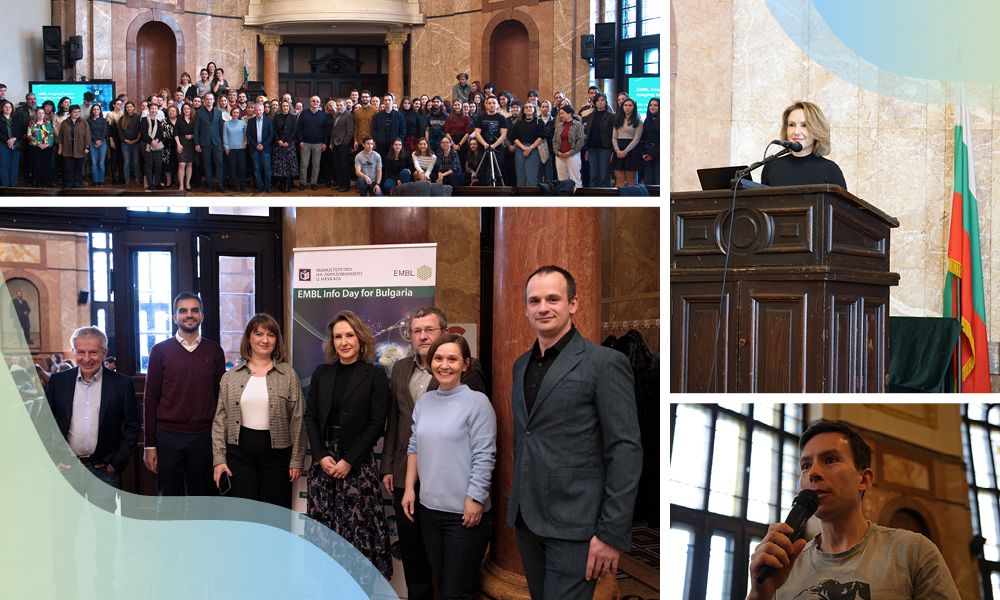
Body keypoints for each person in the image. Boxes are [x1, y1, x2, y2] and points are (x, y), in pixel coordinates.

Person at [508, 266, 642, 600]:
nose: (543, 307)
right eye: (534, 300)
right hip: (527, 520)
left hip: (577, 526)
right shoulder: (520, 364)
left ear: (573, 304)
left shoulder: (604, 363)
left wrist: (611, 533)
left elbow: (625, 450)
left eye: (553, 298)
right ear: (525, 308)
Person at [746, 419, 961, 600]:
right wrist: (758, 596)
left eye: (830, 460)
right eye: (805, 465)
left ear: (864, 479)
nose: (813, 473)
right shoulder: (781, 566)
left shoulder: (912, 551)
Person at [381, 307, 487, 600]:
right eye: (417, 331)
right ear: (410, 336)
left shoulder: (469, 369)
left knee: (450, 570)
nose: (423, 336)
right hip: (407, 475)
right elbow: (397, 422)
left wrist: (476, 493)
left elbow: (479, 435)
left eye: (430, 330)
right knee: (415, 558)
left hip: (450, 479)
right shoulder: (400, 368)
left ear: (444, 332)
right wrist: (388, 465)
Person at [45, 326, 140, 598]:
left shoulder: (120, 383)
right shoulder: (58, 381)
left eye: (93, 352)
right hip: (67, 470)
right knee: (63, 533)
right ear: (73, 352)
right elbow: (44, 424)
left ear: (104, 352)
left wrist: (115, 463)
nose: (87, 358)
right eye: (81, 352)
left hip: (104, 471)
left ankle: (104, 586)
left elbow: (132, 427)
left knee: (105, 533)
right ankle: (64, 587)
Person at [401, 333, 496, 600]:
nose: (445, 365)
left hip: (464, 516)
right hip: (429, 513)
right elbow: (414, 446)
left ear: (465, 365)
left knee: (458, 592)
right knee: (442, 585)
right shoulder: (426, 401)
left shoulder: (478, 403)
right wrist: (409, 488)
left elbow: (485, 455)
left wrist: (476, 499)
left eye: (452, 359)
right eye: (439, 358)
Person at [304, 310, 392, 580]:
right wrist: (319, 456)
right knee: (325, 533)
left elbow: (377, 423)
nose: (344, 342)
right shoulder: (322, 373)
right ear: (332, 341)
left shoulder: (376, 375)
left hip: (356, 462)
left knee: (357, 530)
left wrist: (349, 460)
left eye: (349, 335)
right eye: (338, 336)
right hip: (324, 465)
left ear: (360, 338)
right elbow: (310, 416)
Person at [143, 292, 227, 519]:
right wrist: (149, 444)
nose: (189, 315)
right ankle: (166, 554)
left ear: (202, 315)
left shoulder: (214, 351)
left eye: (194, 310)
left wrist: (221, 443)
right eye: (183, 310)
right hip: (168, 437)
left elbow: (222, 400)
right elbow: (150, 400)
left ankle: (195, 554)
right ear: (174, 317)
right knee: (167, 503)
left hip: (203, 437)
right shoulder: (159, 351)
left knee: (200, 504)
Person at [212, 314, 306, 508]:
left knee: (275, 517)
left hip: (277, 457)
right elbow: (220, 422)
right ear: (249, 338)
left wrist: (297, 459)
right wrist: (219, 459)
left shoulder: (288, 374)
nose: (265, 340)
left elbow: (298, 419)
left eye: (271, 335)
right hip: (239, 456)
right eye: (259, 334)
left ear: (276, 340)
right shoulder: (230, 377)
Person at [760, 100, 847, 189]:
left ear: (817, 130)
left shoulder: (830, 169)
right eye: (792, 125)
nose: (796, 132)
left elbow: (841, 203)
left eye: (804, 125)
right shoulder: (771, 167)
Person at [296, 95, 330, 191]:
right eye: (314, 101)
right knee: (304, 164)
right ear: (310, 102)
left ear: (319, 103)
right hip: (305, 143)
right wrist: (300, 141)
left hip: (318, 143)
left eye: (318, 101)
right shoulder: (304, 113)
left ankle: (314, 183)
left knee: (316, 165)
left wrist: (324, 143)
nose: (316, 103)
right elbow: (299, 128)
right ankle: (302, 182)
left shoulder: (323, 115)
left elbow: (325, 131)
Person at [194, 93, 226, 193]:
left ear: (213, 100)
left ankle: (219, 184)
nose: (209, 101)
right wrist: (196, 143)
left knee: (219, 163)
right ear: (204, 101)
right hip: (204, 143)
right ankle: (209, 185)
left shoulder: (218, 112)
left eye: (211, 99)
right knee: (207, 165)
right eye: (207, 99)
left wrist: (223, 144)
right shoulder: (199, 113)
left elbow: (221, 129)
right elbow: (196, 129)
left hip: (217, 143)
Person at [509, 101, 545, 187]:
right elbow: (514, 137)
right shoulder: (519, 122)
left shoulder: (539, 122)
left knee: (531, 176)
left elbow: (541, 136)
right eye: (526, 107)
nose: (528, 109)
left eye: (530, 107)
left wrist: (530, 148)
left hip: (533, 150)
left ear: (534, 109)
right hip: (520, 149)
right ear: (523, 110)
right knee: (520, 176)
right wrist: (523, 147)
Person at [610, 97, 644, 188]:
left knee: (630, 181)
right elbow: (614, 137)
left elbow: (636, 139)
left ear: (634, 107)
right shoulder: (618, 120)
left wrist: (625, 152)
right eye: (625, 105)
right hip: (618, 150)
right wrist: (617, 150)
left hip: (631, 151)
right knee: (619, 180)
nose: (627, 107)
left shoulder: (638, 121)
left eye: (630, 105)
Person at [473, 95, 508, 185]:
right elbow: (477, 133)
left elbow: (503, 135)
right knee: (482, 172)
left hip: (497, 149)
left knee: (498, 171)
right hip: (483, 148)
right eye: (489, 103)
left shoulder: (502, 118)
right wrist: (485, 144)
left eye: (494, 103)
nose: (492, 105)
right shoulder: (480, 118)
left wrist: (493, 146)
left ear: (498, 105)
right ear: (486, 105)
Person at [583, 93, 614, 188]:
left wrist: (613, 150)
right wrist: (587, 149)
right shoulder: (590, 116)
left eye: (602, 100)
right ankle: (594, 196)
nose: (600, 102)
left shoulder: (611, 116)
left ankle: (604, 197)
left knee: (604, 175)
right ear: (595, 102)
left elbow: (614, 134)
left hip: (605, 148)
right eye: (598, 100)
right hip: (592, 148)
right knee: (594, 174)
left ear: (605, 102)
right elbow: (589, 133)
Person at [57, 104, 91, 190]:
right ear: (70, 113)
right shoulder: (64, 123)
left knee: (78, 168)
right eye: (74, 112)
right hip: (67, 148)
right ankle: (68, 184)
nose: (77, 114)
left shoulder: (83, 122)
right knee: (68, 168)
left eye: (78, 112)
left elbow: (87, 135)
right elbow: (60, 137)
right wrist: (60, 149)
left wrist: (86, 147)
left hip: (79, 148)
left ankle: (77, 183)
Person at [553, 104, 584, 186]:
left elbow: (580, 141)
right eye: (560, 114)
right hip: (560, 156)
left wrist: (570, 153)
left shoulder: (577, 125)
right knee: (562, 180)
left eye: (563, 113)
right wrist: (557, 152)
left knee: (575, 178)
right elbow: (554, 141)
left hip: (573, 155)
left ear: (570, 114)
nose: (561, 116)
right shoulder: (559, 126)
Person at [246, 102, 273, 193]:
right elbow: (248, 135)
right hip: (254, 148)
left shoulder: (268, 120)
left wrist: (263, 145)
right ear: (254, 110)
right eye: (256, 110)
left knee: (267, 168)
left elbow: (271, 135)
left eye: (260, 110)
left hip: (266, 148)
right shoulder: (250, 121)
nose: (258, 112)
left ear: (263, 110)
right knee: (256, 168)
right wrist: (255, 145)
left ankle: (268, 186)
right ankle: (259, 186)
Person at [273, 99, 299, 193]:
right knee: (280, 165)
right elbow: (274, 130)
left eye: (287, 106)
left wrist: (288, 141)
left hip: (289, 143)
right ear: (281, 107)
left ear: (289, 107)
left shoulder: (293, 117)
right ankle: (282, 184)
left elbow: (294, 130)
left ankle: (287, 185)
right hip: (279, 143)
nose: (285, 108)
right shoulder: (277, 117)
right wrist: (278, 140)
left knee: (288, 165)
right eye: (283, 106)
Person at [329, 98, 354, 192]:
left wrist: (345, 143)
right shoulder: (336, 115)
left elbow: (350, 132)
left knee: (344, 165)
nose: (339, 107)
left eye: (341, 105)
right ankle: (340, 184)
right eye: (338, 105)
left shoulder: (348, 115)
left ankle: (346, 185)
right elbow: (334, 131)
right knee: (337, 165)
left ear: (345, 106)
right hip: (335, 144)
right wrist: (331, 143)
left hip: (343, 144)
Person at [140, 103, 166, 191]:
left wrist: (156, 141)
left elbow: (160, 134)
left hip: (156, 145)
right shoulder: (144, 120)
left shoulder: (158, 122)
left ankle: (157, 183)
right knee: (149, 164)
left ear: (157, 110)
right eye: (152, 108)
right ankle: (150, 184)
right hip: (146, 145)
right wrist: (151, 141)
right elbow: (143, 133)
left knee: (158, 164)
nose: (154, 110)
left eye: (155, 108)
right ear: (149, 110)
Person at [28, 107, 56, 188]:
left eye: (42, 113)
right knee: (37, 166)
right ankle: (38, 183)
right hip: (35, 148)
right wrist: (38, 144)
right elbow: (29, 135)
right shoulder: (32, 123)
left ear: (44, 115)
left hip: (47, 148)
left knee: (46, 166)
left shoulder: (48, 123)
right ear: (36, 114)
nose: (41, 114)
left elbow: (51, 134)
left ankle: (44, 183)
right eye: (39, 113)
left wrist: (47, 144)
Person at [371, 93, 406, 159]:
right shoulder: (379, 115)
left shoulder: (399, 115)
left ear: (393, 101)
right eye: (386, 100)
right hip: (382, 144)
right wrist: (378, 139)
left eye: (389, 100)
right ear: (383, 102)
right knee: (382, 163)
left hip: (394, 145)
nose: (387, 102)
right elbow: (374, 129)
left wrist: (399, 141)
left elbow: (403, 129)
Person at [223, 106, 248, 192]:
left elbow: (246, 134)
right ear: (231, 113)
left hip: (241, 149)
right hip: (231, 149)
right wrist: (226, 147)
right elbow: (225, 136)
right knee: (232, 168)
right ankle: (235, 185)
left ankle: (242, 185)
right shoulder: (226, 124)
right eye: (234, 112)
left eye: (237, 113)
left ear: (239, 114)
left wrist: (245, 143)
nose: (235, 114)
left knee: (242, 168)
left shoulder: (243, 123)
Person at [0, 100, 23, 187]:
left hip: (15, 145)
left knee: (14, 165)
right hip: (3, 145)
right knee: (4, 165)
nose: (8, 109)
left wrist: (13, 139)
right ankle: (5, 185)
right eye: (5, 107)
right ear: (2, 108)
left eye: (9, 107)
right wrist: (8, 141)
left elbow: (21, 130)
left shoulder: (17, 118)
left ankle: (14, 185)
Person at [119, 101, 142, 187]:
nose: (129, 108)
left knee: (136, 162)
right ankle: (127, 180)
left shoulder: (138, 117)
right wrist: (125, 140)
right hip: (125, 143)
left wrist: (136, 140)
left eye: (130, 107)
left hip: (136, 142)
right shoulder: (122, 118)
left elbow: (140, 129)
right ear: (125, 109)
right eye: (127, 107)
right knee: (126, 162)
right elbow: (120, 131)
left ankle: (137, 179)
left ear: (133, 108)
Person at [175, 102, 195, 192]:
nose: (186, 110)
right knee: (181, 164)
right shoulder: (179, 120)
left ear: (190, 110)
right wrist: (178, 144)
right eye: (185, 109)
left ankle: (188, 183)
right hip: (181, 142)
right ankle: (181, 184)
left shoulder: (194, 120)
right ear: (182, 111)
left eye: (188, 109)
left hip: (191, 143)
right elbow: (175, 133)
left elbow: (198, 131)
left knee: (189, 164)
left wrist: (193, 136)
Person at [641, 97, 659, 185]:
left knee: (658, 179)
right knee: (648, 181)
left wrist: (652, 154)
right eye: (651, 105)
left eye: (655, 105)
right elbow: (643, 137)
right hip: (647, 151)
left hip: (657, 152)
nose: (652, 107)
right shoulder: (647, 120)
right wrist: (643, 153)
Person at [353, 90, 378, 155]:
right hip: (360, 141)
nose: (364, 99)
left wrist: (375, 141)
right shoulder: (358, 111)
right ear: (361, 98)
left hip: (371, 141)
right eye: (363, 97)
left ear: (370, 98)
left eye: (366, 97)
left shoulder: (375, 111)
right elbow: (356, 127)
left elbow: (377, 127)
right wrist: (355, 140)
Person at [161, 104, 179, 189]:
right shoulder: (164, 121)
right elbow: (161, 133)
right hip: (167, 145)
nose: (171, 112)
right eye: (169, 111)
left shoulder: (180, 120)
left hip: (179, 145)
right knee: (167, 164)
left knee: (179, 163)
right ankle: (168, 181)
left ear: (177, 112)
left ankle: (179, 180)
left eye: (173, 111)